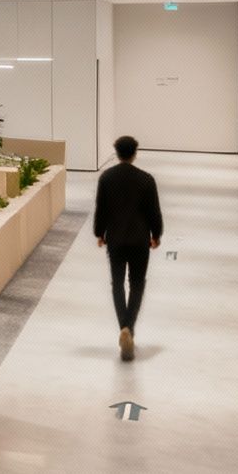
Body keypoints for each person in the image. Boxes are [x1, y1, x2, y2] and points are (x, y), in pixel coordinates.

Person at [93, 135, 162, 361]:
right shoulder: (146, 180)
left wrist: (99, 233)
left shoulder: (106, 178)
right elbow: (154, 211)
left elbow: (101, 209)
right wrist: (156, 234)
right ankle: (129, 328)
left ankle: (123, 325)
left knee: (117, 284)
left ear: (117, 152)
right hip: (139, 240)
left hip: (116, 239)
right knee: (137, 283)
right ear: (134, 153)